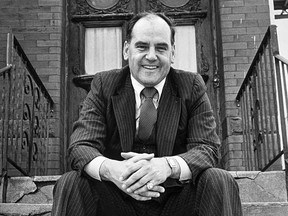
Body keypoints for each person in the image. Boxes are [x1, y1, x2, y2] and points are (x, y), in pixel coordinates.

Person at [52, 12, 242, 216]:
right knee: (70, 182)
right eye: (142, 46)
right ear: (127, 50)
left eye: (161, 48)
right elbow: (81, 147)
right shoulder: (103, 84)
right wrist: (113, 170)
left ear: (173, 53)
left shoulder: (192, 86)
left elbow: (207, 149)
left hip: (175, 198)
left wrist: (167, 166)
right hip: (117, 197)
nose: (151, 56)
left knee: (219, 179)